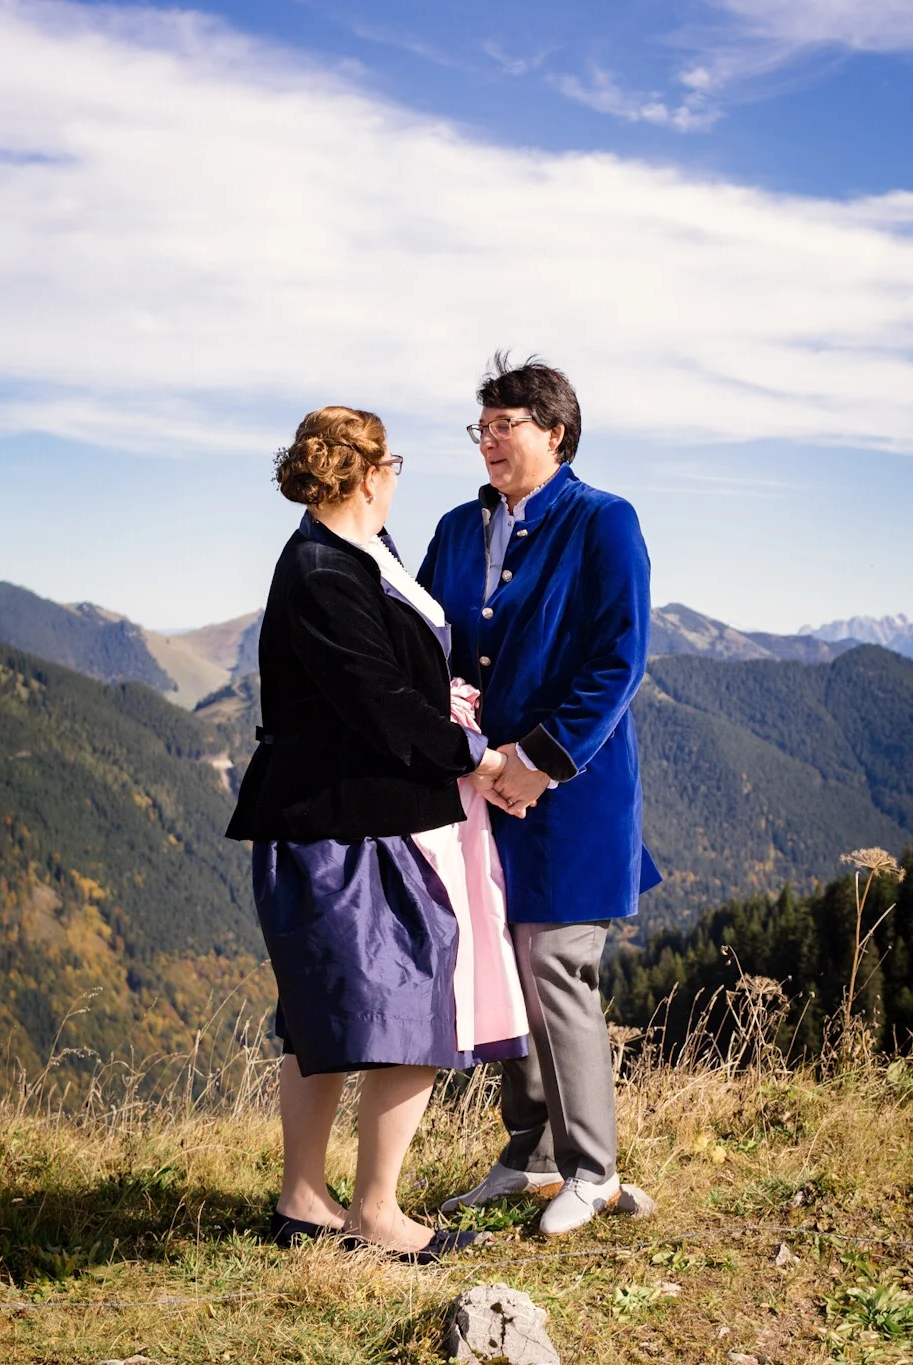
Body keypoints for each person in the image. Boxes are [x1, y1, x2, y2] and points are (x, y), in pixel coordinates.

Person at [225, 404, 532, 1264]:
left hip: (351, 813)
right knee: (408, 1005)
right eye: (393, 460)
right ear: (368, 476)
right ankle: (376, 1210)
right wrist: (475, 757)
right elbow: (379, 701)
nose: (400, 473)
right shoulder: (324, 568)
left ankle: (303, 1200)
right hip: (339, 822)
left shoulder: (366, 555)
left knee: (330, 1012)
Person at [419, 355, 660, 1238]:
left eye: (503, 425)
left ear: (554, 433)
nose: (487, 441)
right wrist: (464, 740)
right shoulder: (453, 527)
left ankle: (592, 1169)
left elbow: (618, 660)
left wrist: (539, 760)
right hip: (478, 789)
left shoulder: (603, 522)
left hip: (572, 792)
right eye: (479, 427)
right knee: (496, 966)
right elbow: (432, 641)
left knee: (556, 968)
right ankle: (530, 1151)